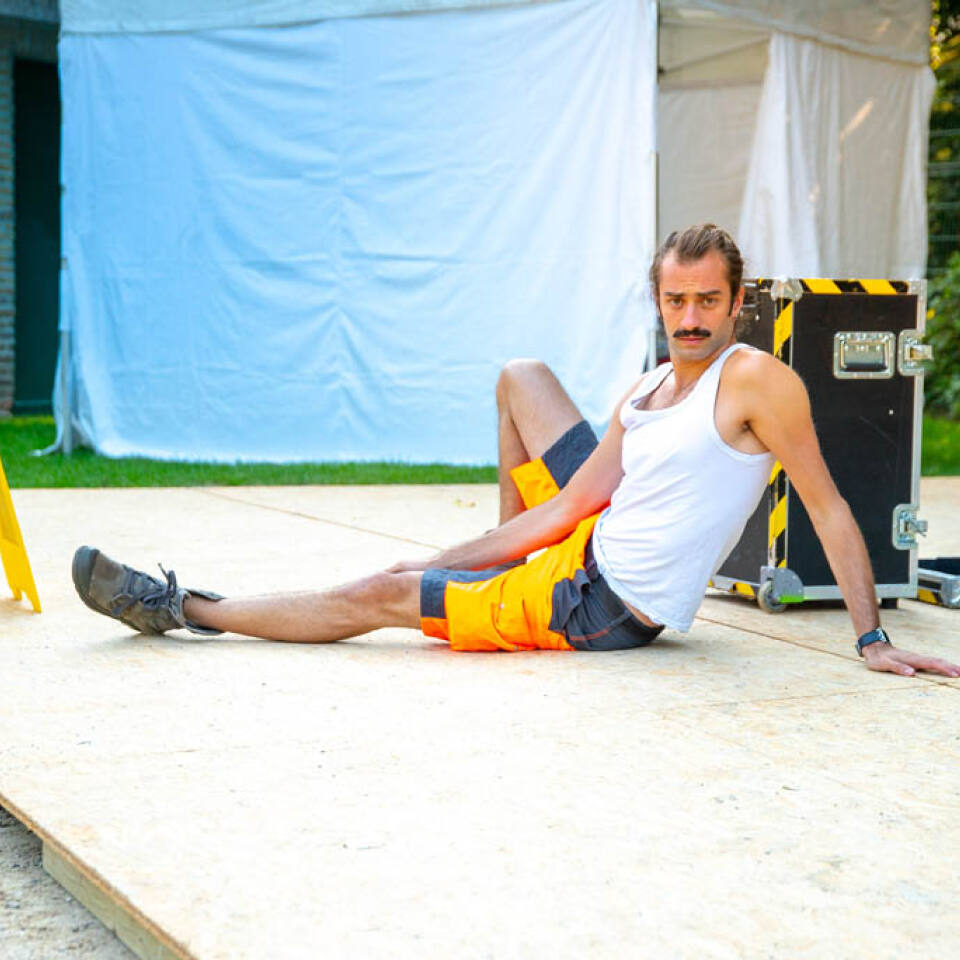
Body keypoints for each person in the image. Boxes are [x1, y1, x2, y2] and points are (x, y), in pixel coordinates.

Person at [72, 224, 960, 677]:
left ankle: (181, 607)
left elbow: (828, 507)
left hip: (598, 606)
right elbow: (569, 506)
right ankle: (479, 585)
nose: (689, 319)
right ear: (658, 300)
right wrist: (454, 559)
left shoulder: (758, 382)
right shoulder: (650, 387)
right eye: (675, 301)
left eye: (707, 302)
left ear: (737, 303)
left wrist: (872, 637)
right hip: (584, 543)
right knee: (521, 377)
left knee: (379, 593)